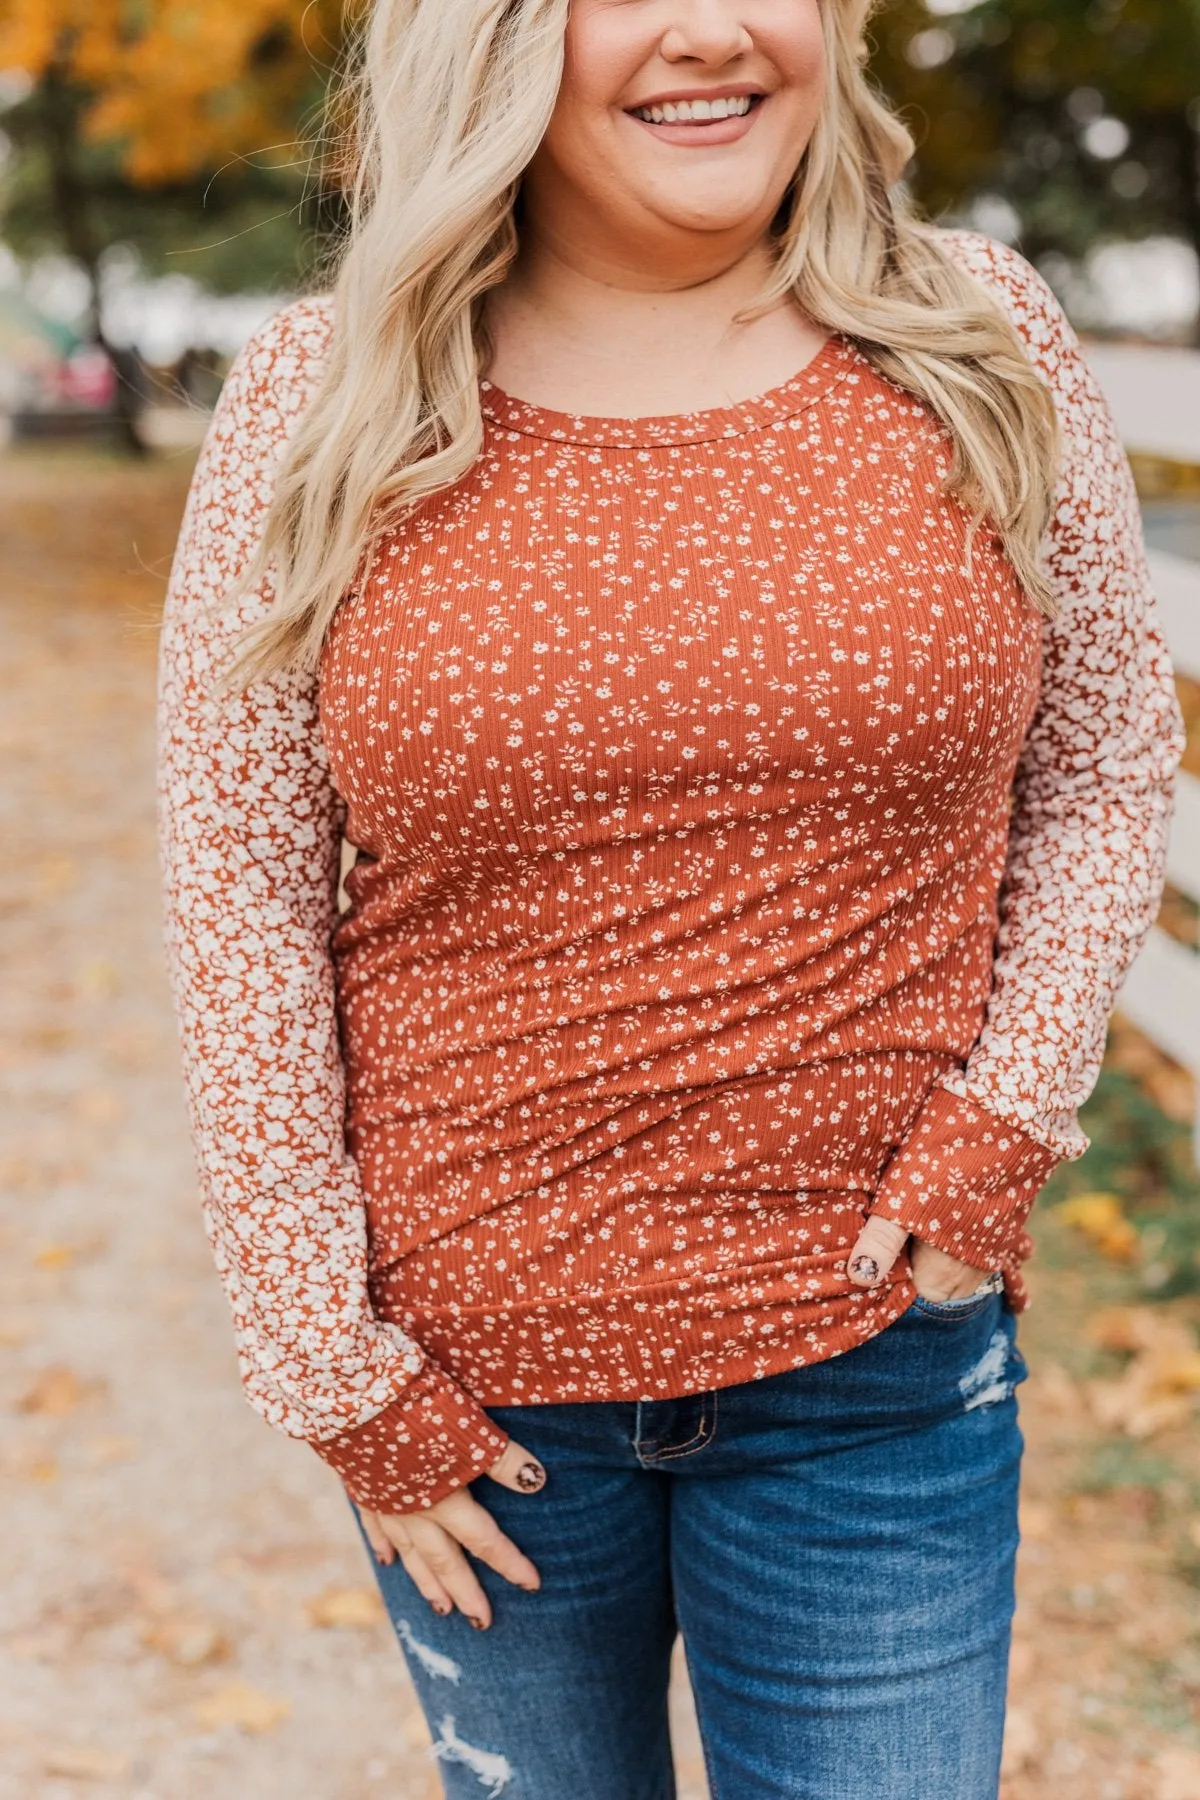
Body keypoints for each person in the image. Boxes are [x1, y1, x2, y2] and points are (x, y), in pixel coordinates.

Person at [155, 1, 1185, 1795]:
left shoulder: (977, 339)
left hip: (874, 1367)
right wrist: (327, 1358)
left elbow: (1102, 765)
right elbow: (237, 882)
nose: (711, 28)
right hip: (475, 1403)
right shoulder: (325, 399)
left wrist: (999, 1133)